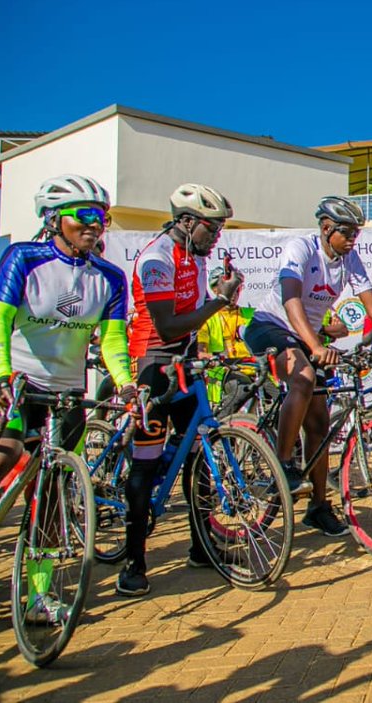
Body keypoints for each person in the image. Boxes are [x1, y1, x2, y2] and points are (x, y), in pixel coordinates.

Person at [0, 176, 134, 620]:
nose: (97, 226)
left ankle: (39, 596)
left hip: (66, 396)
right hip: (18, 385)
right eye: (87, 216)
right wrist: (2, 377)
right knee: (8, 452)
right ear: (56, 219)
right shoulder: (24, 258)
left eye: (103, 218)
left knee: (54, 497)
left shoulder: (110, 277)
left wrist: (126, 383)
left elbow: (113, 344)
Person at [246, 196, 372, 538]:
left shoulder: (350, 259)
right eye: (347, 232)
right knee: (304, 376)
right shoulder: (301, 248)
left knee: (319, 425)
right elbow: (291, 301)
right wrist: (317, 346)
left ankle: (319, 507)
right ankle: (283, 463)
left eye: (356, 233)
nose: (353, 239)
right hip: (272, 326)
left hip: (308, 336)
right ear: (326, 228)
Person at [122, 183, 242, 596]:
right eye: (212, 227)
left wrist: (218, 296)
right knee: (145, 464)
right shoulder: (157, 257)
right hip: (153, 369)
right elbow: (169, 326)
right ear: (187, 222)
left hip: (185, 366)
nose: (217, 236)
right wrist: (220, 303)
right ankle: (133, 561)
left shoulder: (195, 255)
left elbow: (193, 316)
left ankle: (201, 546)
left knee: (199, 460)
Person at [196, 267, 258, 416]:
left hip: (255, 369)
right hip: (227, 372)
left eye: (237, 289)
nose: (234, 294)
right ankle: (218, 429)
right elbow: (200, 352)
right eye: (229, 289)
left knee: (280, 397)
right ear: (216, 290)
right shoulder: (207, 317)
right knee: (240, 389)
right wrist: (211, 358)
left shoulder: (251, 314)